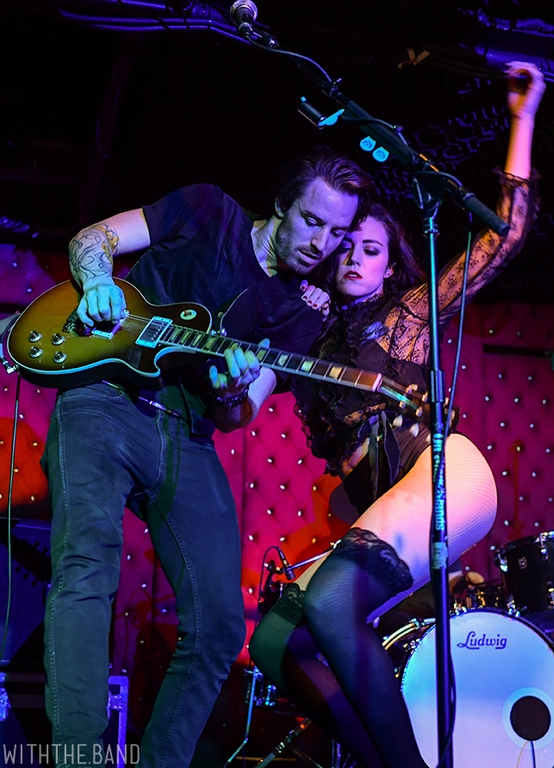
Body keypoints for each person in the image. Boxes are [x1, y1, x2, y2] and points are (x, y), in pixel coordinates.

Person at [249, 62, 545, 768]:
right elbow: (241, 402)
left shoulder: (407, 315)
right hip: (386, 507)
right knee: (276, 642)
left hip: (443, 470)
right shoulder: (300, 332)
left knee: (329, 606)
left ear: (391, 266)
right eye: (347, 244)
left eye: (373, 249)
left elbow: (502, 239)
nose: (356, 256)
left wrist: (523, 120)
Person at [41, 148, 375, 768]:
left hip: (186, 432)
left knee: (222, 624)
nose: (321, 243)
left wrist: (228, 392)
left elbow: (237, 414)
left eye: (337, 232)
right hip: (104, 395)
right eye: (311, 221)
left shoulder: (302, 312)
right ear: (282, 204)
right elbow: (94, 238)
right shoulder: (207, 209)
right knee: (87, 569)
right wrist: (99, 282)